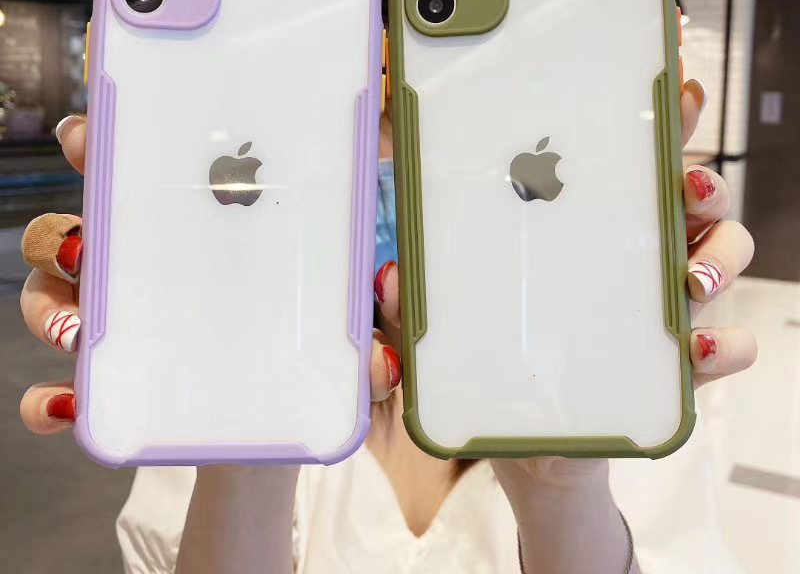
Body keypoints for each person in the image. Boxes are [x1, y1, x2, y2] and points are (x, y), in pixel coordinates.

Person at [19, 78, 756, 574]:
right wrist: (249, 454)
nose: (405, 166)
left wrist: (561, 496)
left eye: (448, 124)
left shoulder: (610, 393)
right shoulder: (224, 373)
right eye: (375, 117)